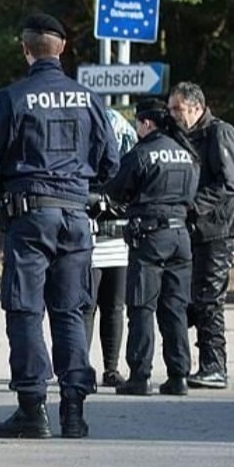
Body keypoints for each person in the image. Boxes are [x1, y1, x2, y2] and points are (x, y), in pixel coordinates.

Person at [0, 13, 119, 439]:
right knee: (71, 310)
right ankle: (73, 411)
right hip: (75, 216)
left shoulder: (14, 97)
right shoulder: (89, 98)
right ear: (63, 48)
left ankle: (32, 409)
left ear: (25, 50)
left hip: (30, 216)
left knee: (25, 310)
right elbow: (111, 162)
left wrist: (2, 196)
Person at [101, 99, 199, 396]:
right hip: (181, 237)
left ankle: (140, 376)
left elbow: (116, 189)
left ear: (146, 123)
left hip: (150, 236)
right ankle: (178, 375)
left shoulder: (142, 153)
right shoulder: (186, 153)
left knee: (142, 307)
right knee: (175, 308)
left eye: (138, 124)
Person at [167, 82, 234, 390]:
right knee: (193, 298)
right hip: (200, 229)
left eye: (178, 109)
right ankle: (197, 362)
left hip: (220, 228)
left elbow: (231, 183)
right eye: (170, 108)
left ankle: (215, 366)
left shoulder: (219, 133)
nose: (172, 115)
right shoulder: (187, 136)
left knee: (210, 299)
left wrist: (191, 206)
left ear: (197, 107)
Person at [84, 107, 138, 388]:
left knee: (114, 308)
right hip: (90, 243)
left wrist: (108, 206)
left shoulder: (130, 163)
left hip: (118, 244)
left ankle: (111, 368)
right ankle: (81, 367)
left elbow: (133, 198)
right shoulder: (83, 160)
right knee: (87, 307)